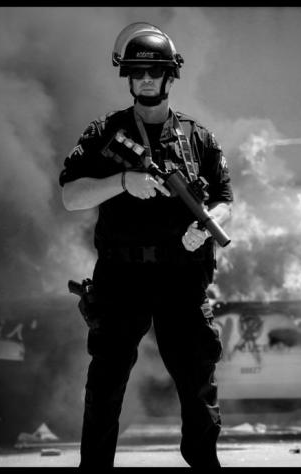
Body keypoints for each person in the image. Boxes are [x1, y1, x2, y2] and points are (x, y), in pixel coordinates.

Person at [59, 22, 233, 468]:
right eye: (138, 73)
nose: (147, 80)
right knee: (106, 385)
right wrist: (122, 182)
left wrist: (207, 224)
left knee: (198, 384)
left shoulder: (199, 139)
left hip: (182, 276)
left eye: (155, 72)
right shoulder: (105, 132)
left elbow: (225, 200)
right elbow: (70, 196)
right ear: (129, 78)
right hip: (122, 278)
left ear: (170, 77)